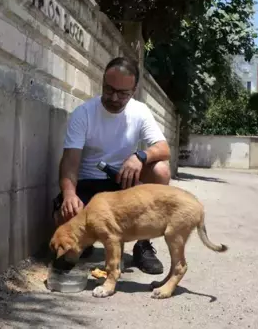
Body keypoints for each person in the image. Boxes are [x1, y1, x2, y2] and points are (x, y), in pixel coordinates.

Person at [51, 56, 172, 274]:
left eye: (122, 93)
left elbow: (164, 149)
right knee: (65, 214)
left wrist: (140, 156)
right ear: (103, 83)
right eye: (109, 89)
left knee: (161, 170)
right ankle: (82, 243)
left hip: (123, 186)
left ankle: (143, 244)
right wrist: (69, 194)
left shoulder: (140, 111)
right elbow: (69, 160)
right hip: (89, 184)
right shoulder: (84, 113)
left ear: (133, 91)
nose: (114, 97)